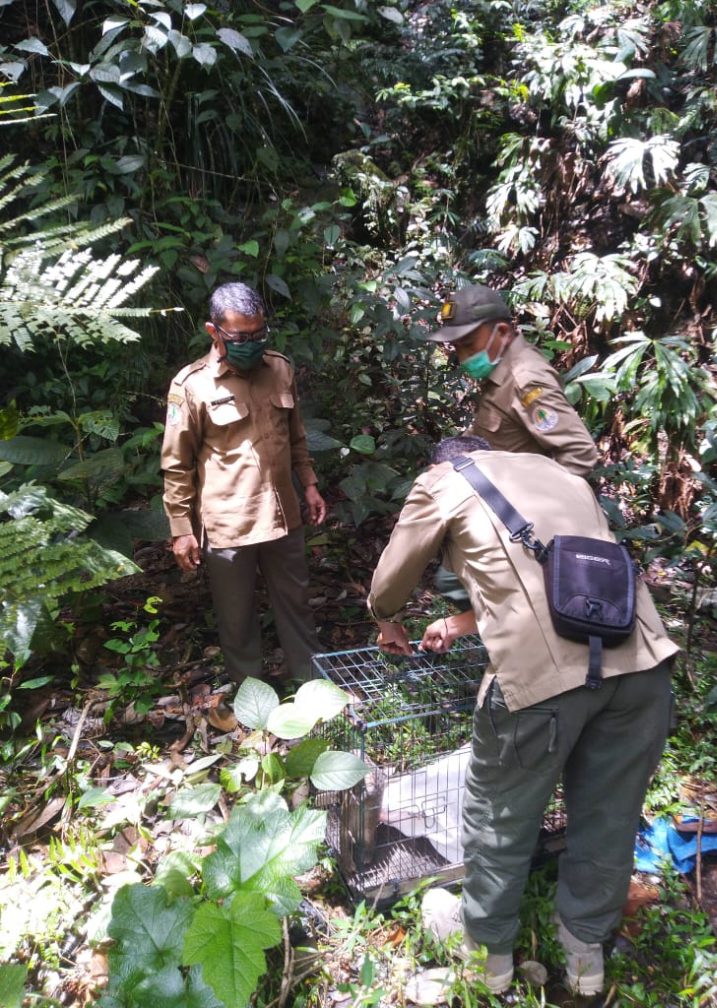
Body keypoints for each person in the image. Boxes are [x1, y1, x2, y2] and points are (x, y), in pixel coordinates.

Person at [367, 436, 678, 997]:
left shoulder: (444, 481)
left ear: (443, 463)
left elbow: (392, 579)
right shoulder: (557, 474)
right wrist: (465, 620)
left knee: (498, 818)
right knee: (609, 816)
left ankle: (486, 960)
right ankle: (585, 959)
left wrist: (384, 617)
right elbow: (558, 575)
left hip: (543, 684)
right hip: (643, 666)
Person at [161, 281, 326, 685]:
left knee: (297, 606)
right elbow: (177, 464)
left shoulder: (280, 368)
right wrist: (181, 530)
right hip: (228, 524)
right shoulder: (191, 385)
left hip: (283, 515)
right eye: (240, 337)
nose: (251, 344)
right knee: (236, 620)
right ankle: (252, 697)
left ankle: (313, 687)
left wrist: (308, 483)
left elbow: (296, 435)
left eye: (258, 334)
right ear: (213, 331)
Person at [426, 283, 599, 478]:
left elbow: (580, 453)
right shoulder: (500, 370)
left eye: (469, 344)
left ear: (501, 332)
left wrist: (531, 494)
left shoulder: (526, 380)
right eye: (457, 347)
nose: (463, 356)